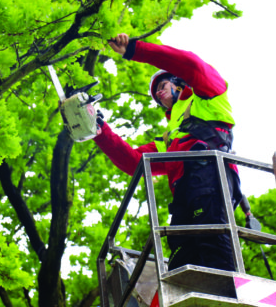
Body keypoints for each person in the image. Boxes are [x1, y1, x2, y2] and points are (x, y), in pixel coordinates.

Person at [93, 33, 242, 272]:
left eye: (162, 86)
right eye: (155, 96)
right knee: (181, 252)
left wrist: (134, 50)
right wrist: (96, 128)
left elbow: (192, 65)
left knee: (211, 240)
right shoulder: (171, 138)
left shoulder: (208, 95)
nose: (158, 95)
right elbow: (133, 162)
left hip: (211, 178)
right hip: (185, 191)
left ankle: (225, 293)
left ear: (178, 82)